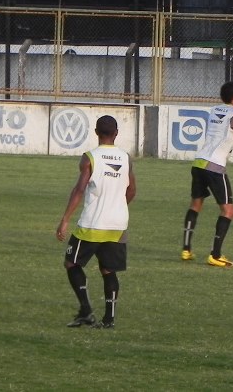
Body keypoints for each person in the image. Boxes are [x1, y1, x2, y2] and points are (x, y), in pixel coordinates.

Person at [56, 115, 136, 329]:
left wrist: (65, 220)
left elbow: (79, 190)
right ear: (116, 133)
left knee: (71, 263)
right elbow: (132, 190)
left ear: (96, 132)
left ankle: (86, 311)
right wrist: (117, 207)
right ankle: (108, 320)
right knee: (109, 270)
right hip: (118, 224)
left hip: (92, 224)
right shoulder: (125, 158)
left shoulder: (90, 157)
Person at [181, 81, 233, 267]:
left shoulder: (214, 110)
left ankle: (186, 250)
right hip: (215, 166)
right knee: (228, 210)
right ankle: (215, 255)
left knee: (195, 205)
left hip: (199, 162)